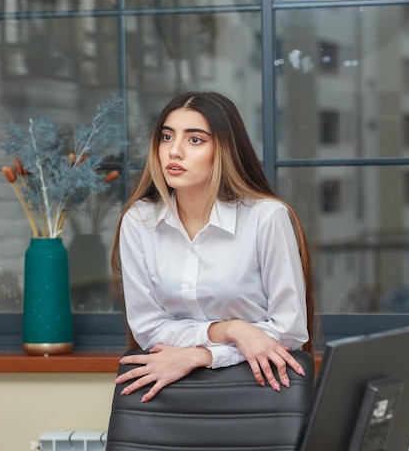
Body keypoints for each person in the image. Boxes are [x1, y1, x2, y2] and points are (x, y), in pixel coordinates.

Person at [111, 91, 316, 403]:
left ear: (224, 150)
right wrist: (231, 330)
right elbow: (148, 328)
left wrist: (202, 355)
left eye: (195, 140)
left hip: (261, 389)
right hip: (172, 389)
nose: (174, 152)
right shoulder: (139, 221)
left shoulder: (266, 218)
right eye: (167, 137)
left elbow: (289, 330)